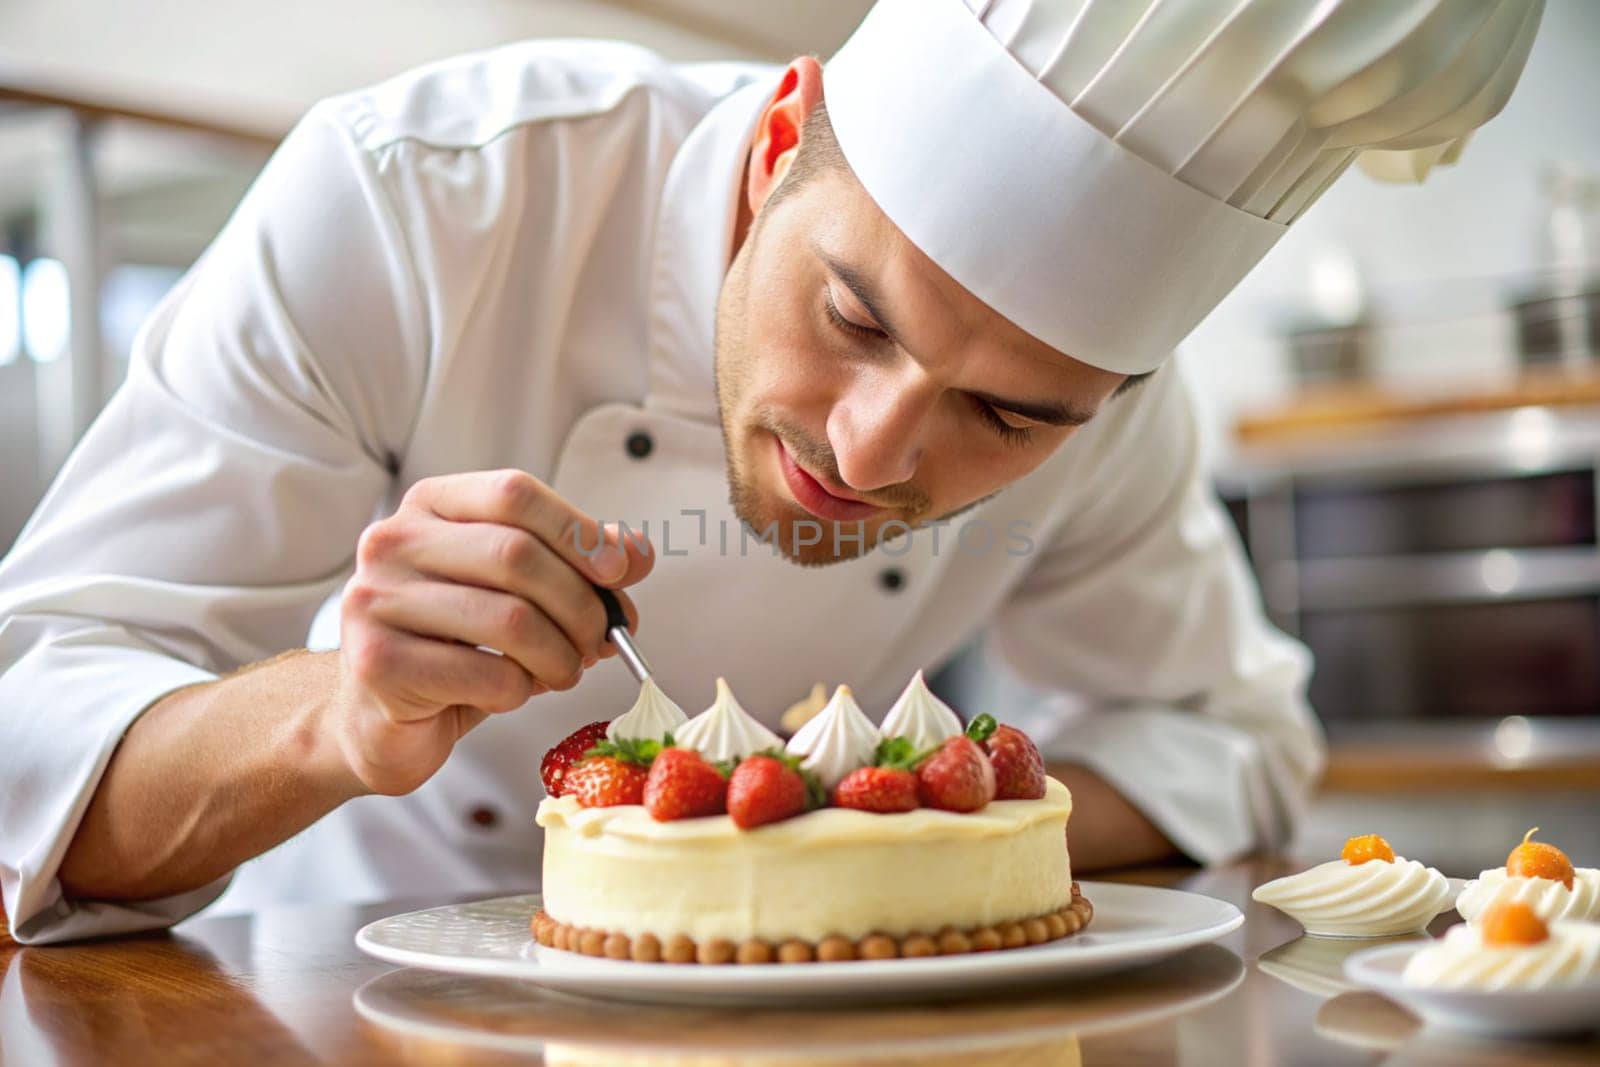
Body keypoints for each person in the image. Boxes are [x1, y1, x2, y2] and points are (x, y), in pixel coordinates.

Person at [0, 0, 1541, 943]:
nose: (874, 454)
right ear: (780, 136)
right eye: (851, 314)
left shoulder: (1120, 406)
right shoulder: (418, 202)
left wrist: (886, 838)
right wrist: (330, 716)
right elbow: (31, 738)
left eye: (1007, 419)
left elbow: (1232, 735)